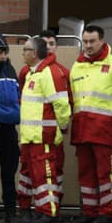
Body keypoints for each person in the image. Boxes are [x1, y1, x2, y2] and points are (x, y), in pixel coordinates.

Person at [69, 25, 112, 223]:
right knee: (86, 173)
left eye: (92, 41)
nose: (87, 45)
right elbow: (73, 99)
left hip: (103, 131)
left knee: (104, 173)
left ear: (101, 41)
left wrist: (110, 122)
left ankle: (105, 212)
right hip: (82, 130)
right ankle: (88, 212)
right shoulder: (77, 66)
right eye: (85, 41)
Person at [17, 37, 71, 223]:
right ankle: (41, 211)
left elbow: (61, 104)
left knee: (45, 175)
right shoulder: (33, 73)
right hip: (31, 137)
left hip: (43, 136)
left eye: (25, 49)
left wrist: (62, 127)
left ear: (34, 53)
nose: (23, 52)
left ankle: (49, 212)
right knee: (34, 175)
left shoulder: (49, 73)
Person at [0, 34, 20, 223]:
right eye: (0, 51)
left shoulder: (11, 69)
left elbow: (15, 95)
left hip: (9, 126)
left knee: (9, 169)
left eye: (6, 51)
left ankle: (10, 209)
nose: (4, 55)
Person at [39, 29, 72, 204]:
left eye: (52, 44)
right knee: (31, 170)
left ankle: (54, 205)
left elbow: (69, 102)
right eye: (45, 44)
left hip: (55, 133)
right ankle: (33, 207)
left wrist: (63, 126)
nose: (49, 47)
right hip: (34, 133)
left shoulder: (63, 72)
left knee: (56, 167)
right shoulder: (28, 71)